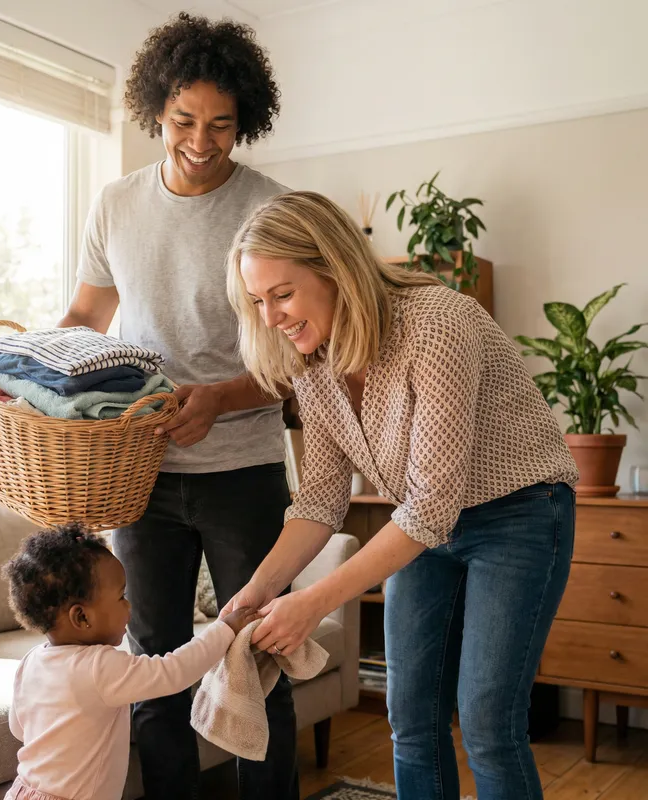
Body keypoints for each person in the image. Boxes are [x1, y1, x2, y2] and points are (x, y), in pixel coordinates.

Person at [222, 191, 579, 800]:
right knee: (409, 717)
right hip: (417, 528)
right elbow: (322, 499)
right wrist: (258, 590)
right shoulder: (312, 359)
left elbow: (432, 506)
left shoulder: (438, 323)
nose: (271, 316)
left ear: (335, 269)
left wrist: (311, 604)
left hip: (517, 514)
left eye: (282, 294)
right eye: (257, 301)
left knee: (489, 725)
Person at [56, 13, 297, 800]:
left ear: (245, 122)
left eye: (222, 126)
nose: (201, 140)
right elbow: (86, 321)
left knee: (258, 658)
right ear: (156, 109)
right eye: (184, 121)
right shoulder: (116, 204)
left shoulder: (271, 210)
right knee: (151, 666)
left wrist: (221, 399)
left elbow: (299, 356)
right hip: (141, 475)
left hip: (244, 469)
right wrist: (31, 369)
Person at [1, 523, 258, 800]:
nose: (129, 605)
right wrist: (225, 629)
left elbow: (18, 727)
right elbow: (174, 671)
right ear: (82, 618)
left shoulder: (30, 661)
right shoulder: (100, 666)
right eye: (121, 596)